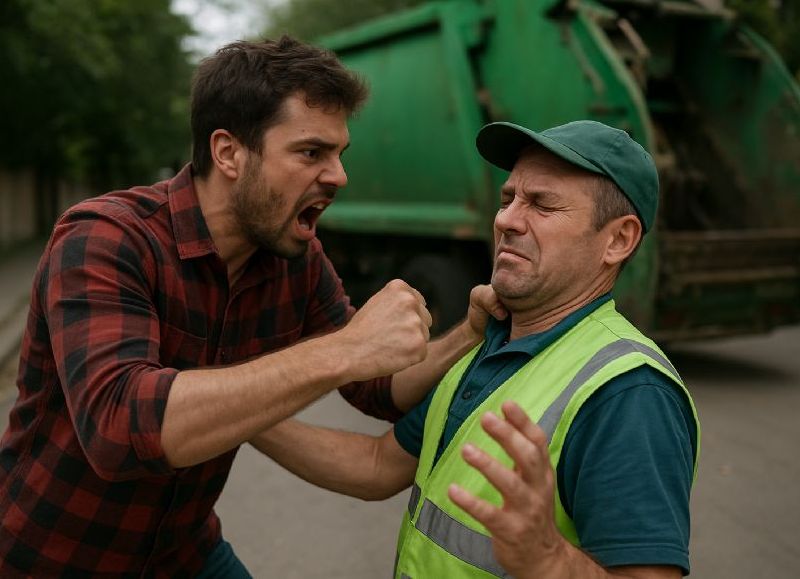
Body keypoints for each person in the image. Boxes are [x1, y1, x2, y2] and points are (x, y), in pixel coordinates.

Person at [0, 37, 504, 577]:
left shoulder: (295, 257)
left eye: (339, 154)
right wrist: (344, 349)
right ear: (229, 153)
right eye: (311, 152)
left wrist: (467, 335)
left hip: (183, 550)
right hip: (54, 557)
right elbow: (118, 428)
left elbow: (377, 388)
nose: (339, 176)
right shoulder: (107, 236)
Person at [255, 120, 701, 578]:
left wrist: (549, 558)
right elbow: (377, 466)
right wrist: (243, 419)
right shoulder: (490, 340)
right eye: (508, 198)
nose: (506, 220)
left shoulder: (629, 392)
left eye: (542, 205)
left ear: (618, 240)